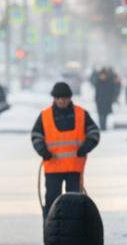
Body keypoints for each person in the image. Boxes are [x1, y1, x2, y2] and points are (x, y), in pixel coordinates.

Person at [32, 82, 99, 219]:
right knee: (52, 202)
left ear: (70, 98)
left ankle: (74, 231)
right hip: (52, 168)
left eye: (65, 98)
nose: (62, 101)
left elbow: (94, 133)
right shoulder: (45, 116)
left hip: (74, 168)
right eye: (59, 98)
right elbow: (36, 136)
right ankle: (50, 230)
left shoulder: (81, 114)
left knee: (75, 203)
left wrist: (86, 147)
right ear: (54, 98)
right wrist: (43, 151)